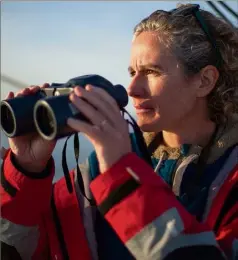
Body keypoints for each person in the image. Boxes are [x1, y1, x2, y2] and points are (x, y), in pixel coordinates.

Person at [1, 3, 237, 260]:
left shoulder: (114, 169)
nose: (132, 88)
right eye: (132, 72)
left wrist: (122, 179)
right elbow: (22, 250)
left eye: (151, 71)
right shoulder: (97, 172)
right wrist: (26, 172)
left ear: (204, 81)